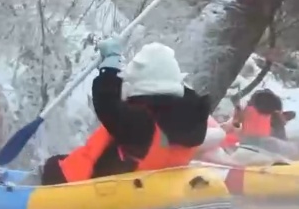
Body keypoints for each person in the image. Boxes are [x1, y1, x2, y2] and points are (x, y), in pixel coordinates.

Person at [39, 40, 212, 185]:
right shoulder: (191, 118)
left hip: (88, 186)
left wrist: (110, 67)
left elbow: (107, 104)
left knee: (52, 165)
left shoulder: (143, 123)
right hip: (141, 184)